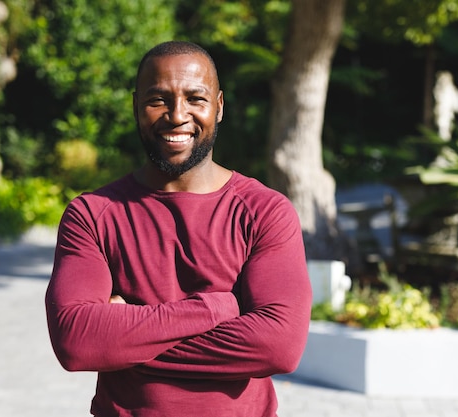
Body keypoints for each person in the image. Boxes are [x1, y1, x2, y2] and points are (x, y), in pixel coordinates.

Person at [45, 40, 312, 417]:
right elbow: (76, 342)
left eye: (195, 99)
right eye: (158, 100)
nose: (177, 115)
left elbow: (279, 347)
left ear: (218, 107)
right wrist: (219, 307)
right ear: (136, 106)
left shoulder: (264, 211)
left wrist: (125, 336)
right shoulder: (92, 214)